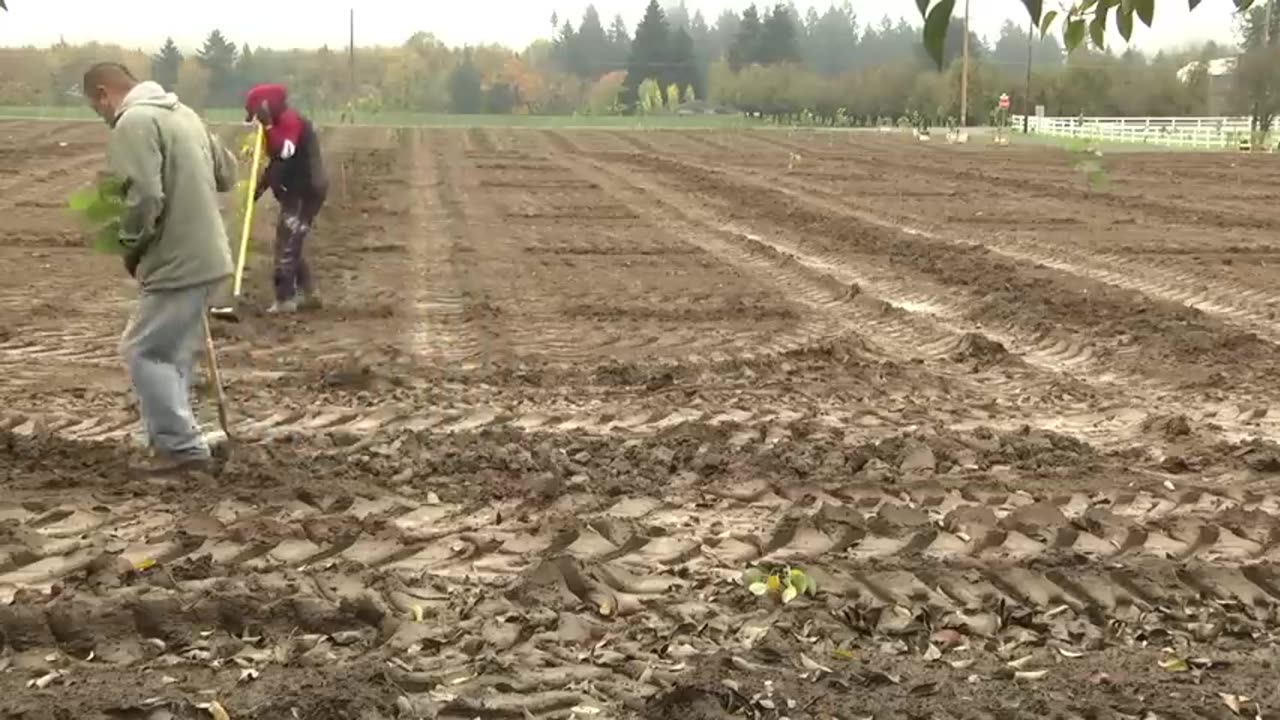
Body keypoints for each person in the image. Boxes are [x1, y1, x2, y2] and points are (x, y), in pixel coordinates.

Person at [82, 62, 237, 475]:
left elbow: (146, 196)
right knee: (173, 352)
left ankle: (181, 448)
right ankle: (178, 433)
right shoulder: (184, 114)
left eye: (96, 106)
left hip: (177, 259)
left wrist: (131, 244)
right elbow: (228, 173)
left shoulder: (134, 121)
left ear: (103, 93)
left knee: (144, 350)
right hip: (211, 256)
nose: (101, 116)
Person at [244, 83, 328, 313]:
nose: (255, 121)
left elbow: (285, 152)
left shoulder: (289, 122)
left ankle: (285, 299)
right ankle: (310, 294)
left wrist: (269, 126)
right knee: (291, 240)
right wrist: (256, 191)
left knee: (286, 242)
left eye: (256, 115)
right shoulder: (279, 124)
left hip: (306, 189)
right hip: (296, 190)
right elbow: (275, 165)